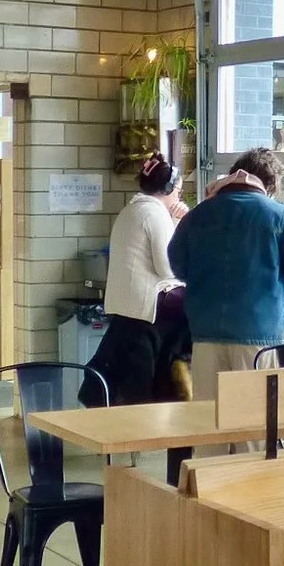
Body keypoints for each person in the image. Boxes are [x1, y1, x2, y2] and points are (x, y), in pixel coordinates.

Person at [167, 147, 284, 398]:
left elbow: (178, 266)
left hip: (205, 334)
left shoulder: (197, 215)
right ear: (270, 185)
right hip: (257, 335)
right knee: (254, 415)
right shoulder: (279, 216)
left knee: (208, 415)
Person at [83, 154, 184, 409]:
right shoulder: (154, 213)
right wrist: (181, 222)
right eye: (178, 191)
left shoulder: (131, 210)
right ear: (168, 188)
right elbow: (168, 267)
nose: (178, 198)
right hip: (146, 310)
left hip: (125, 310)